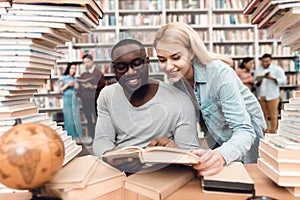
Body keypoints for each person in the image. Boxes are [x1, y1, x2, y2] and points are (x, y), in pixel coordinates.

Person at [153, 22, 266, 176]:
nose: (168, 66)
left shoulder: (219, 73)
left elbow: (245, 131)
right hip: (217, 141)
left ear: (191, 53)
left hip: (246, 143)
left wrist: (221, 155)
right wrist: (170, 144)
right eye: (162, 60)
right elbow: (196, 129)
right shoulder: (176, 84)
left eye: (175, 57)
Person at [92, 39, 200, 173]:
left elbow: (191, 156)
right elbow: (102, 139)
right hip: (120, 173)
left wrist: (174, 150)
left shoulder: (180, 100)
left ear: (147, 63)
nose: (130, 72)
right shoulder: (107, 95)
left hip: (162, 174)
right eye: (121, 67)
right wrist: (108, 155)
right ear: (114, 69)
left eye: (137, 64)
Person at [254, 53, 286, 134]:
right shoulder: (258, 70)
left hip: (273, 96)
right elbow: (255, 83)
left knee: (273, 115)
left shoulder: (277, 69)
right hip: (261, 96)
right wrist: (260, 80)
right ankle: (263, 133)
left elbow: (283, 81)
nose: (265, 63)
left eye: (267, 61)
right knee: (262, 116)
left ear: (271, 60)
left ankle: (273, 132)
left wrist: (272, 78)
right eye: (263, 61)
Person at [76, 54, 105, 140]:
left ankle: (100, 138)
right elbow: (79, 89)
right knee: (89, 119)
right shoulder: (84, 75)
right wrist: (80, 87)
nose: (86, 64)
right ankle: (92, 138)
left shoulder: (98, 73)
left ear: (92, 61)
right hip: (85, 99)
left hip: (95, 99)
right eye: (84, 63)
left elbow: (103, 86)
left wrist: (92, 87)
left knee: (97, 118)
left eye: (88, 62)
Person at [59, 62, 83, 139]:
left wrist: (77, 85)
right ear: (68, 68)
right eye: (72, 68)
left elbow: (79, 89)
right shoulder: (63, 78)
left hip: (75, 99)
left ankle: (78, 136)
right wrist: (67, 85)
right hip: (67, 99)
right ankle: (70, 136)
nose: (73, 70)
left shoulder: (75, 79)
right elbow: (60, 90)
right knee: (68, 118)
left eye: (75, 69)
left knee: (76, 118)